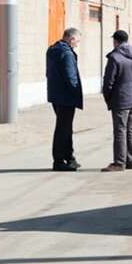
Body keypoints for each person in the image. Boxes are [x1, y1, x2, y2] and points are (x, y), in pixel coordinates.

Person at [101, 30, 132, 172]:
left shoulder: (115, 58)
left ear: (115, 41)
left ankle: (119, 162)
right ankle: (131, 160)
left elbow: (108, 82)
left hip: (120, 100)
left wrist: (108, 97)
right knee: (130, 131)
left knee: (120, 131)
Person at [46, 27, 83, 171]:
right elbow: (71, 76)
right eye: (77, 41)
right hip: (66, 96)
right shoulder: (67, 54)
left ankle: (69, 157)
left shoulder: (52, 50)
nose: (77, 45)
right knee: (63, 129)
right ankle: (59, 160)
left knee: (65, 128)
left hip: (56, 95)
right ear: (71, 39)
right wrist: (76, 92)